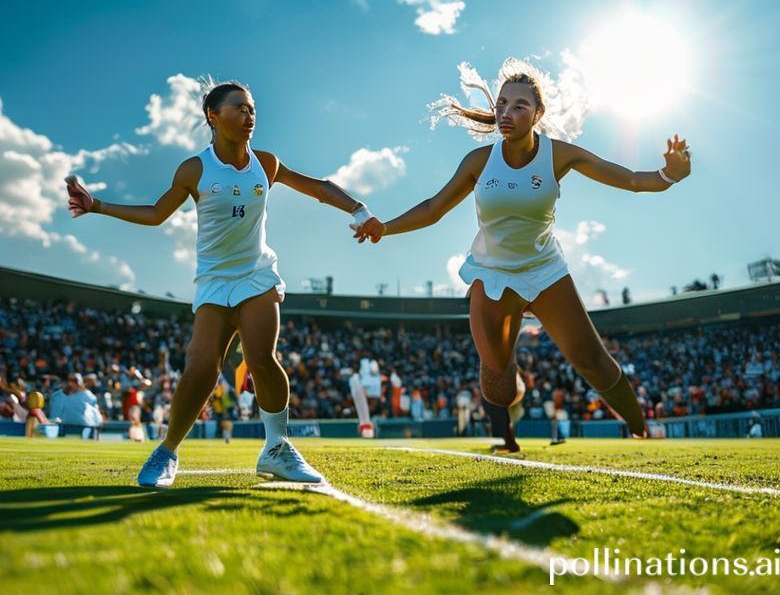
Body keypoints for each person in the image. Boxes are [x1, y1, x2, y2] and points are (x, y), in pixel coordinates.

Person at [355, 58, 691, 438]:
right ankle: (513, 385)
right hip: (493, 274)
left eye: (519, 106)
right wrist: (386, 227)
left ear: (538, 113)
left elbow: (629, 179)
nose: (506, 113)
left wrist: (667, 176)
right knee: (497, 386)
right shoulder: (479, 162)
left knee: (591, 359)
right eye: (501, 104)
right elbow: (434, 208)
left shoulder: (559, 154)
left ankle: (641, 429)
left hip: (545, 271)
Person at [66, 80, 376, 487]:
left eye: (252, 109)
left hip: (256, 274)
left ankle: (277, 449)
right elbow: (157, 213)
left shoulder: (267, 163)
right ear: (213, 116)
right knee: (201, 368)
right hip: (213, 281)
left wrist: (357, 208)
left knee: (262, 357)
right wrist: (98, 206)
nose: (250, 116)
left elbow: (316, 186)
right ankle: (166, 452)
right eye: (239, 108)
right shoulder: (194, 168)